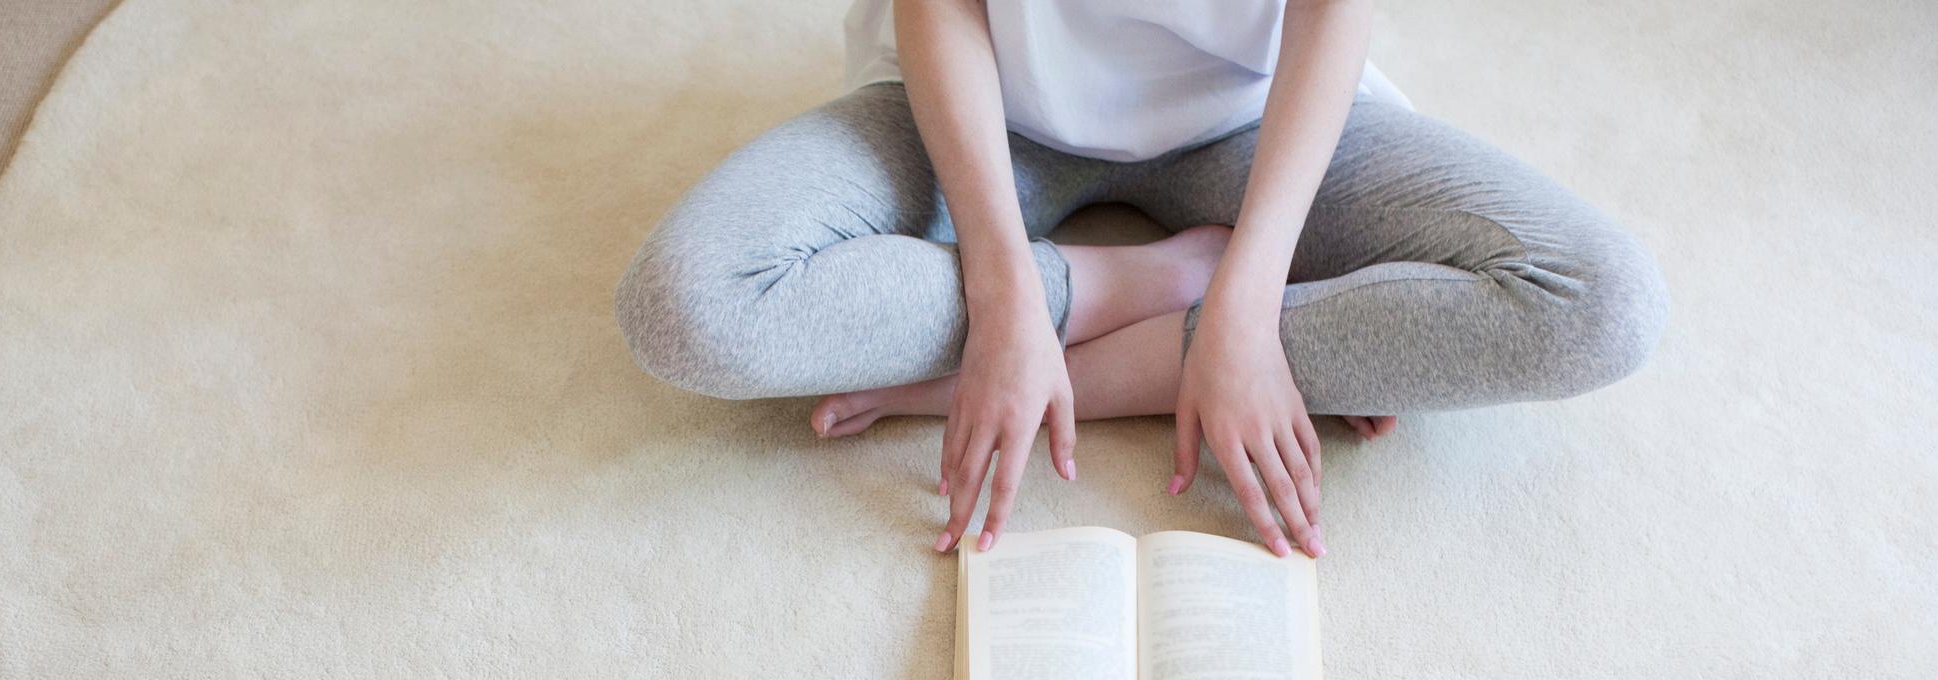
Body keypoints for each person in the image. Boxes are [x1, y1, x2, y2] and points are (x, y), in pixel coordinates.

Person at [613, 0, 1669, 558]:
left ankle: (1166, 348)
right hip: (991, 112)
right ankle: (1135, 282)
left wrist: (1250, 312)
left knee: (1597, 304)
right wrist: (1005, 299)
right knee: (693, 308)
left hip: (1251, 115)